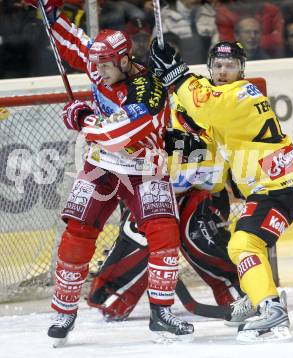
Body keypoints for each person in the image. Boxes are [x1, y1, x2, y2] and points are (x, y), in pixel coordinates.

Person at [20, 0, 194, 345]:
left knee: (164, 237)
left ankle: (161, 312)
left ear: (125, 59)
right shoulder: (102, 63)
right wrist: (50, 9)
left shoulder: (147, 88)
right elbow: (72, 44)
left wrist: (83, 118)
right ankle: (64, 312)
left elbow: (119, 135)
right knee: (77, 235)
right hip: (101, 167)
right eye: (94, 65)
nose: (96, 72)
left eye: (104, 66)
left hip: (145, 168)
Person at [149, 38, 293, 343]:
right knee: (244, 238)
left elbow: (206, 105)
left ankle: (270, 308)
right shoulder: (220, 96)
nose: (223, 71)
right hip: (283, 181)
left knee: (243, 244)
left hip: (279, 184)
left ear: (242, 70)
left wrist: (176, 72)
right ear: (210, 68)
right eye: (217, 66)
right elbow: (201, 134)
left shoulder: (240, 94)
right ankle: (259, 296)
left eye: (230, 66)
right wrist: (175, 103)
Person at [87, 117, 254, 322]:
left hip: (203, 194)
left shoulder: (214, 106)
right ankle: (115, 294)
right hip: (150, 190)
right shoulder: (142, 108)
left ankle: (242, 291)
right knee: (142, 234)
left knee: (196, 230)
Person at [215, 0, 284, 56]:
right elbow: (228, 43)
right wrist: (264, 40)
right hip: (236, 60)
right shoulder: (223, 12)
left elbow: (278, 40)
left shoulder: (272, 10)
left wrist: (245, 41)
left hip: (268, 60)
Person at [159, 0, 219, 65]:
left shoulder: (209, 15)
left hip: (206, 70)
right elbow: (157, 49)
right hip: (176, 72)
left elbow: (216, 48)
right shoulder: (165, 16)